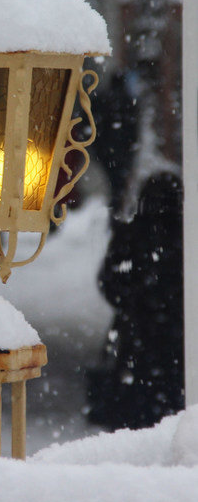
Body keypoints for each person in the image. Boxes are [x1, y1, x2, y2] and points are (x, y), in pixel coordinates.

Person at [86, 171, 184, 430]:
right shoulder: (186, 236)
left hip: (138, 334)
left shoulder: (133, 233)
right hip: (173, 334)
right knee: (172, 402)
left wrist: (132, 300)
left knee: (136, 403)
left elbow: (109, 280)